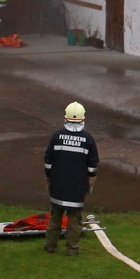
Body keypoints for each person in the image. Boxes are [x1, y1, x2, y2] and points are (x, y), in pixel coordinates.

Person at [42, 101, 99, 254]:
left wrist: (49, 178)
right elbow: (92, 166)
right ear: (83, 118)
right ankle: (72, 248)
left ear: (66, 117)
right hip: (77, 186)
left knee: (55, 216)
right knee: (75, 219)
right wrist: (90, 182)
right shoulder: (88, 139)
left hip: (58, 184)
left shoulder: (57, 136)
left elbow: (48, 161)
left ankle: (50, 246)